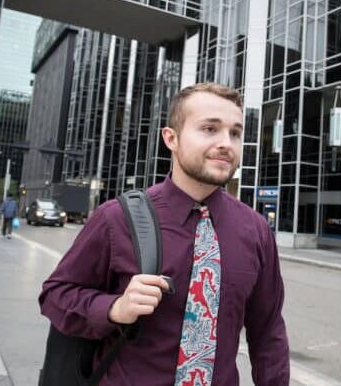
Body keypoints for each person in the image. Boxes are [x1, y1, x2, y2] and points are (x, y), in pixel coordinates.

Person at [39, 83, 290, 385]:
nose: (226, 143)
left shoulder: (256, 231)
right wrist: (115, 308)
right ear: (171, 138)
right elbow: (55, 294)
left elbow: (269, 332)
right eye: (210, 129)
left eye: (235, 133)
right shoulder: (116, 218)